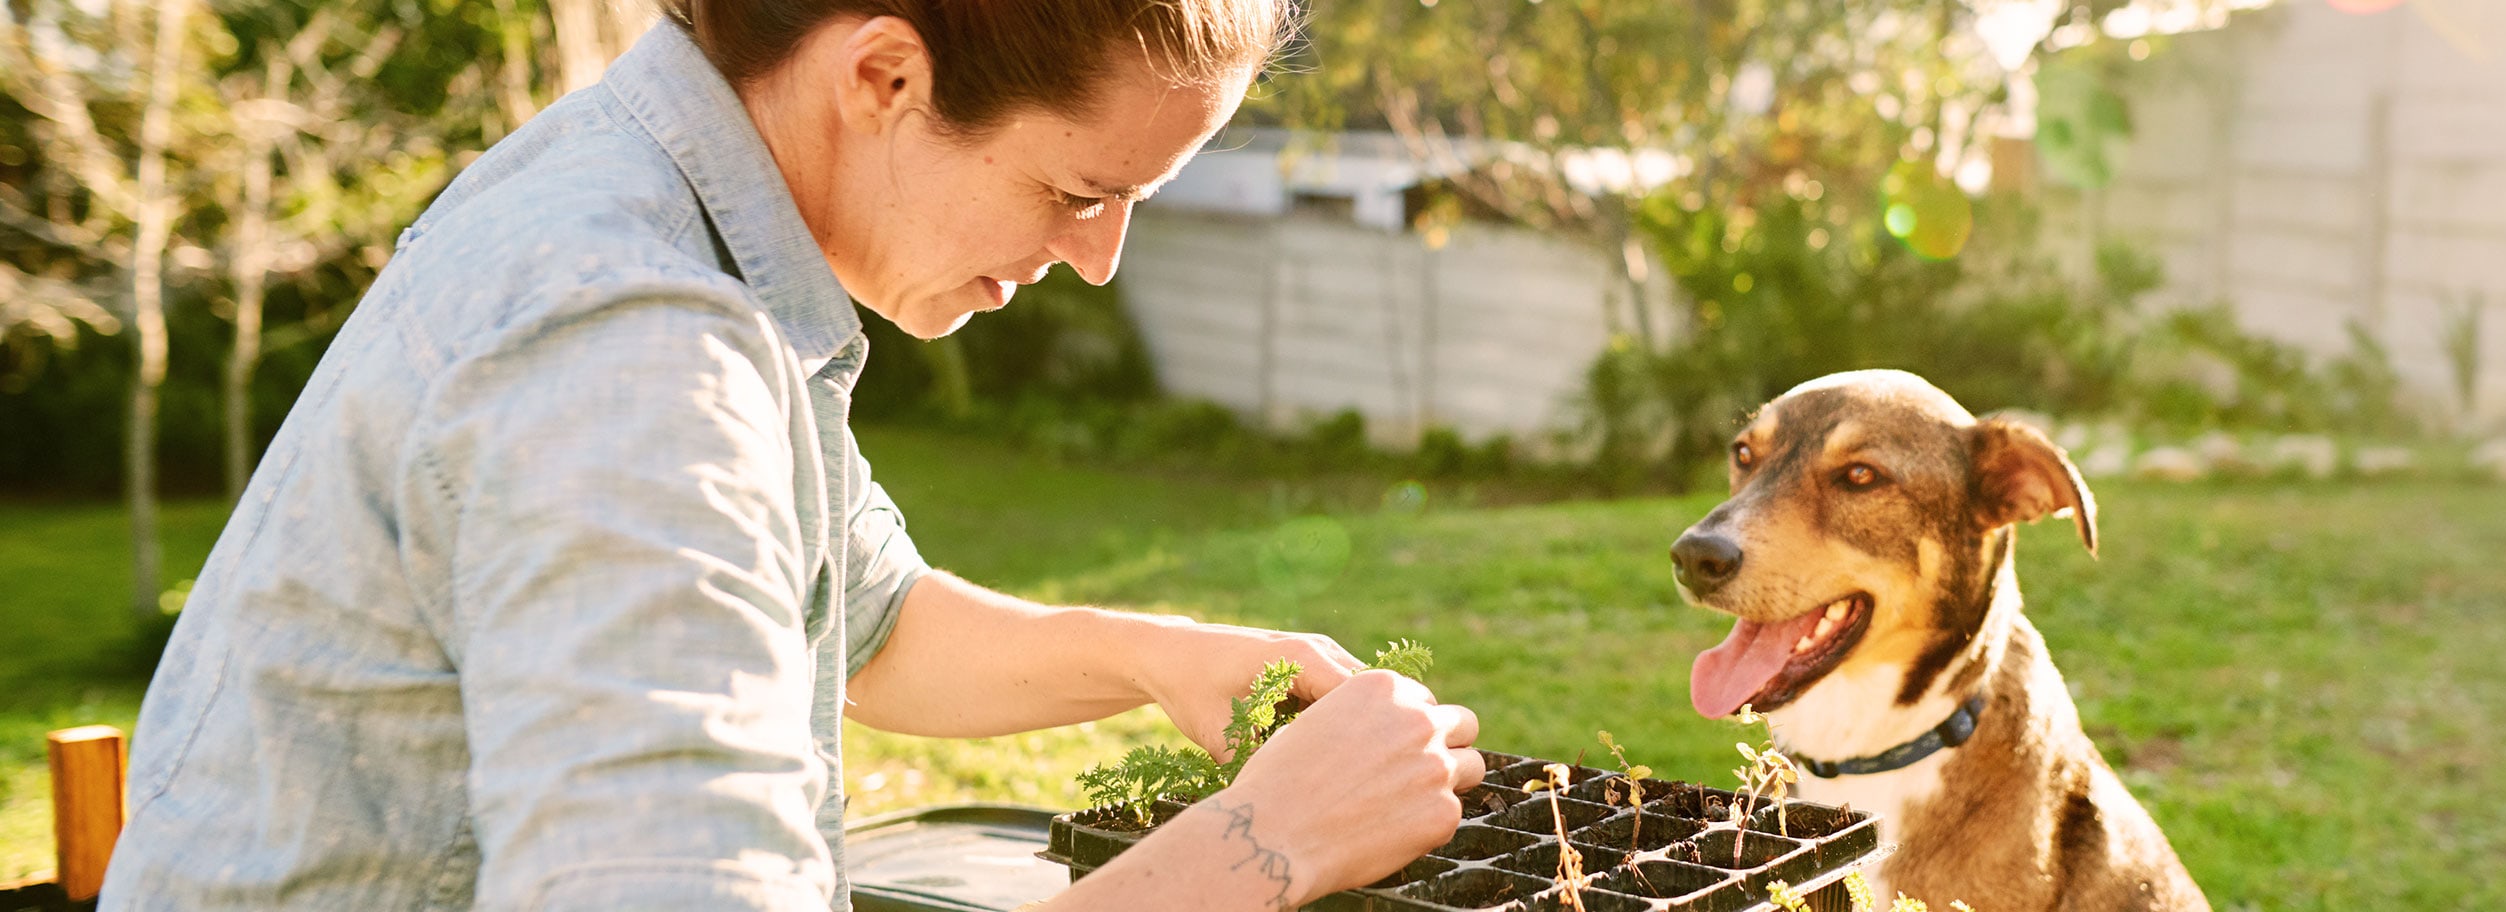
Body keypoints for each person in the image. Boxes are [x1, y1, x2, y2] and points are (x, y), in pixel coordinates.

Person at [98, 1, 1480, 909]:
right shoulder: (633, 352)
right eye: (1079, 189)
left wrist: (1162, 657)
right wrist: (1262, 847)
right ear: (884, 75)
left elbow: (867, 625)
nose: (1100, 259)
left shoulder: (661, 205)